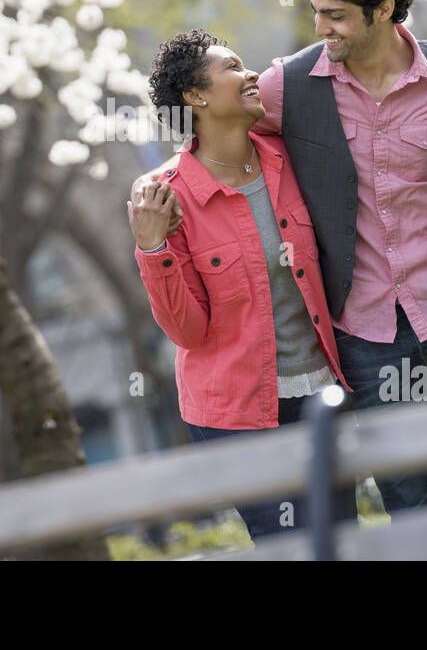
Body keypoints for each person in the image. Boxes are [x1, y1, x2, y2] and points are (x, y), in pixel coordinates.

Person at [134, 0, 427, 558]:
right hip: (364, 336)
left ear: (384, 10)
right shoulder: (292, 86)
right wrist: (159, 194)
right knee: (411, 502)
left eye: (334, 15)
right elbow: (216, 142)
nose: (320, 26)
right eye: (316, 11)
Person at [126, 29, 356, 542]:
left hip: (321, 391)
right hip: (236, 411)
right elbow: (188, 331)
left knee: (342, 540)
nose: (251, 73)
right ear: (195, 96)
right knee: (286, 545)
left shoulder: (289, 156)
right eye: (232, 67)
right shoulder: (167, 197)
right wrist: (152, 249)